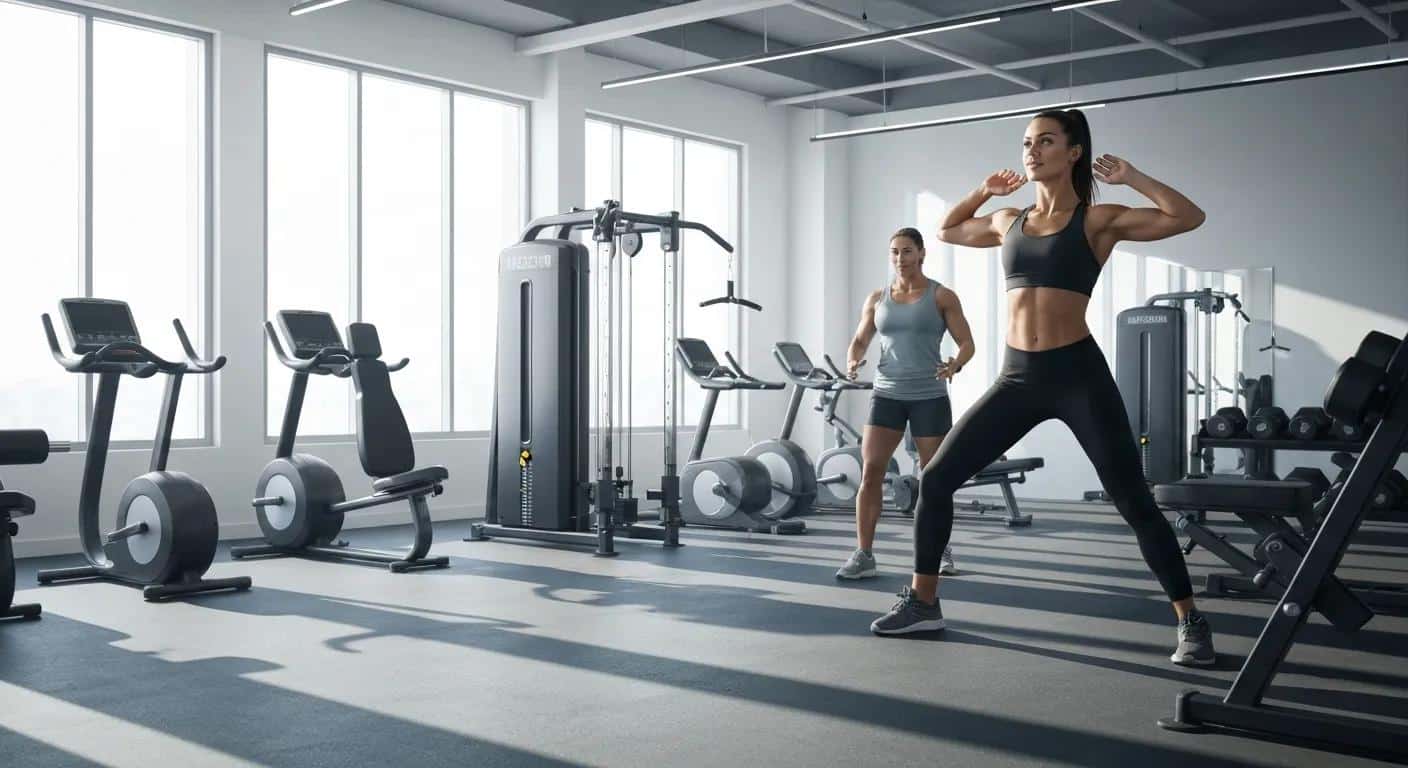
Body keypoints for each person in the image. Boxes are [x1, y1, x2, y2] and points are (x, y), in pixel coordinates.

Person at [869, 109, 1216, 667]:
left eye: (1046, 141)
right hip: (1017, 376)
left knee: (1133, 501)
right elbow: (948, 230)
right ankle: (924, 602)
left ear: (1074, 152)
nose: (1032, 151)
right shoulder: (1009, 220)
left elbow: (1187, 217)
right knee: (936, 480)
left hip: (1077, 374)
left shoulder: (1098, 220)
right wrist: (983, 190)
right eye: (1028, 142)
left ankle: (1191, 620)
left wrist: (1134, 177)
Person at [835, 227, 975, 581]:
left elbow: (967, 343)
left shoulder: (942, 296)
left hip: (929, 395)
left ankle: (939, 549)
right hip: (886, 394)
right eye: (895, 252)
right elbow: (859, 339)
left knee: (934, 479)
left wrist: (955, 364)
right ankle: (864, 554)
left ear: (922, 254)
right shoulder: (877, 298)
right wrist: (852, 361)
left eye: (908, 251)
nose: (900, 259)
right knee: (871, 473)